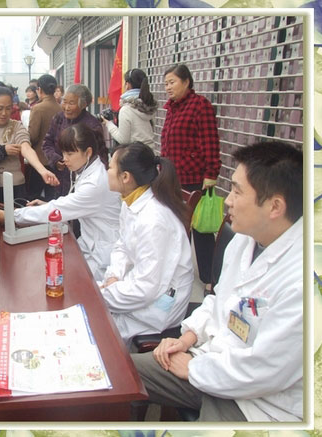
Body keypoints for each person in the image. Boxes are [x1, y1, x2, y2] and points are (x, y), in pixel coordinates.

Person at [132, 141, 303, 422]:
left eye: (237, 191)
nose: (227, 200)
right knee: (121, 374)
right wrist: (186, 339)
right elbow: (218, 300)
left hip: (257, 402)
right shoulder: (245, 240)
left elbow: (263, 371)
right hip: (210, 360)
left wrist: (193, 368)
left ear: (275, 206)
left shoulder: (302, 280)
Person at [0, 123, 120, 282]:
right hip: (92, 245)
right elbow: (68, 204)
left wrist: (11, 216)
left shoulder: (94, 184)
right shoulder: (86, 170)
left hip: (102, 256)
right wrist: (46, 206)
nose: (64, 159)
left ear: (88, 152)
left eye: (70, 153)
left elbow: (60, 208)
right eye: (63, 153)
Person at [100, 142, 193, 342]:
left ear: (125, 177)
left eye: (110, 167)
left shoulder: (153, 220)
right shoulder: (130, 201)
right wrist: (114, 276)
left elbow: (145, 289)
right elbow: (122, 245)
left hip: (159, 305)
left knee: (99, 330)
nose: (107, 172)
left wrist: (104, 294)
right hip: (142, 285)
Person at [161, 64, 221, 295]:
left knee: (201, 230)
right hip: (173, 178)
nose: (168, 87)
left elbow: (210, 141)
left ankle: (210, 278)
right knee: (176, 227)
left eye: (172, 82)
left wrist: (211, 173)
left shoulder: (200, 106)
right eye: (166, 83)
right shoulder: (171, 108)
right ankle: (176, 271)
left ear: (186, 82)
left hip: (195, 177)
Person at [0, 86, 58, 203]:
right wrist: (3, 150)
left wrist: (42, 170)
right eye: (0, 108)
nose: (4, 113)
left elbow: (26, 148)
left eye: (8, 108)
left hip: (15, 187)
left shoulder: (16, 126)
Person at [42, 84, 104, 198]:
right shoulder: (59, 118)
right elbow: (47, 143)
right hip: (59, 179)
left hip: (83, 181)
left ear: (83, 105)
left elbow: (101, 156)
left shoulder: (92, 125)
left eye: (71, 103)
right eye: (64, 102)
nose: (66, 107)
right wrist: (55, 159)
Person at [27, 73, 63, 200]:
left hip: (40, 159)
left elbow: (33, 136)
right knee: (53, 197)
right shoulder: (61, 108)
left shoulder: (38, 108)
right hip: (57, 159)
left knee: (33, 196)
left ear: (40, 90)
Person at [102, 68, 157, 148]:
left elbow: (123, 140)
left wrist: (108, 124)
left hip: (135, 153)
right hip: (150, 151)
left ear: (127, 85)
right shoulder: (149, 105)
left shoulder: (126, 109)